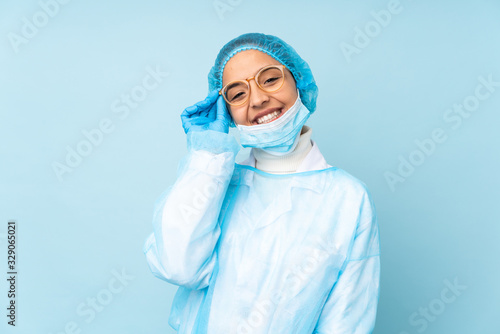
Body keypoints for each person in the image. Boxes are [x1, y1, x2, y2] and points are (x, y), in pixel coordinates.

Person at [143, 32, 381, 334]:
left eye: (270, 79)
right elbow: (178, 266)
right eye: (237, 94)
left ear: (299, 81)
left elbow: (348, 320)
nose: (257, 99)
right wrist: (207, 155)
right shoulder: (214, 178)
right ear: (226, 111)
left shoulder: (347, 199)